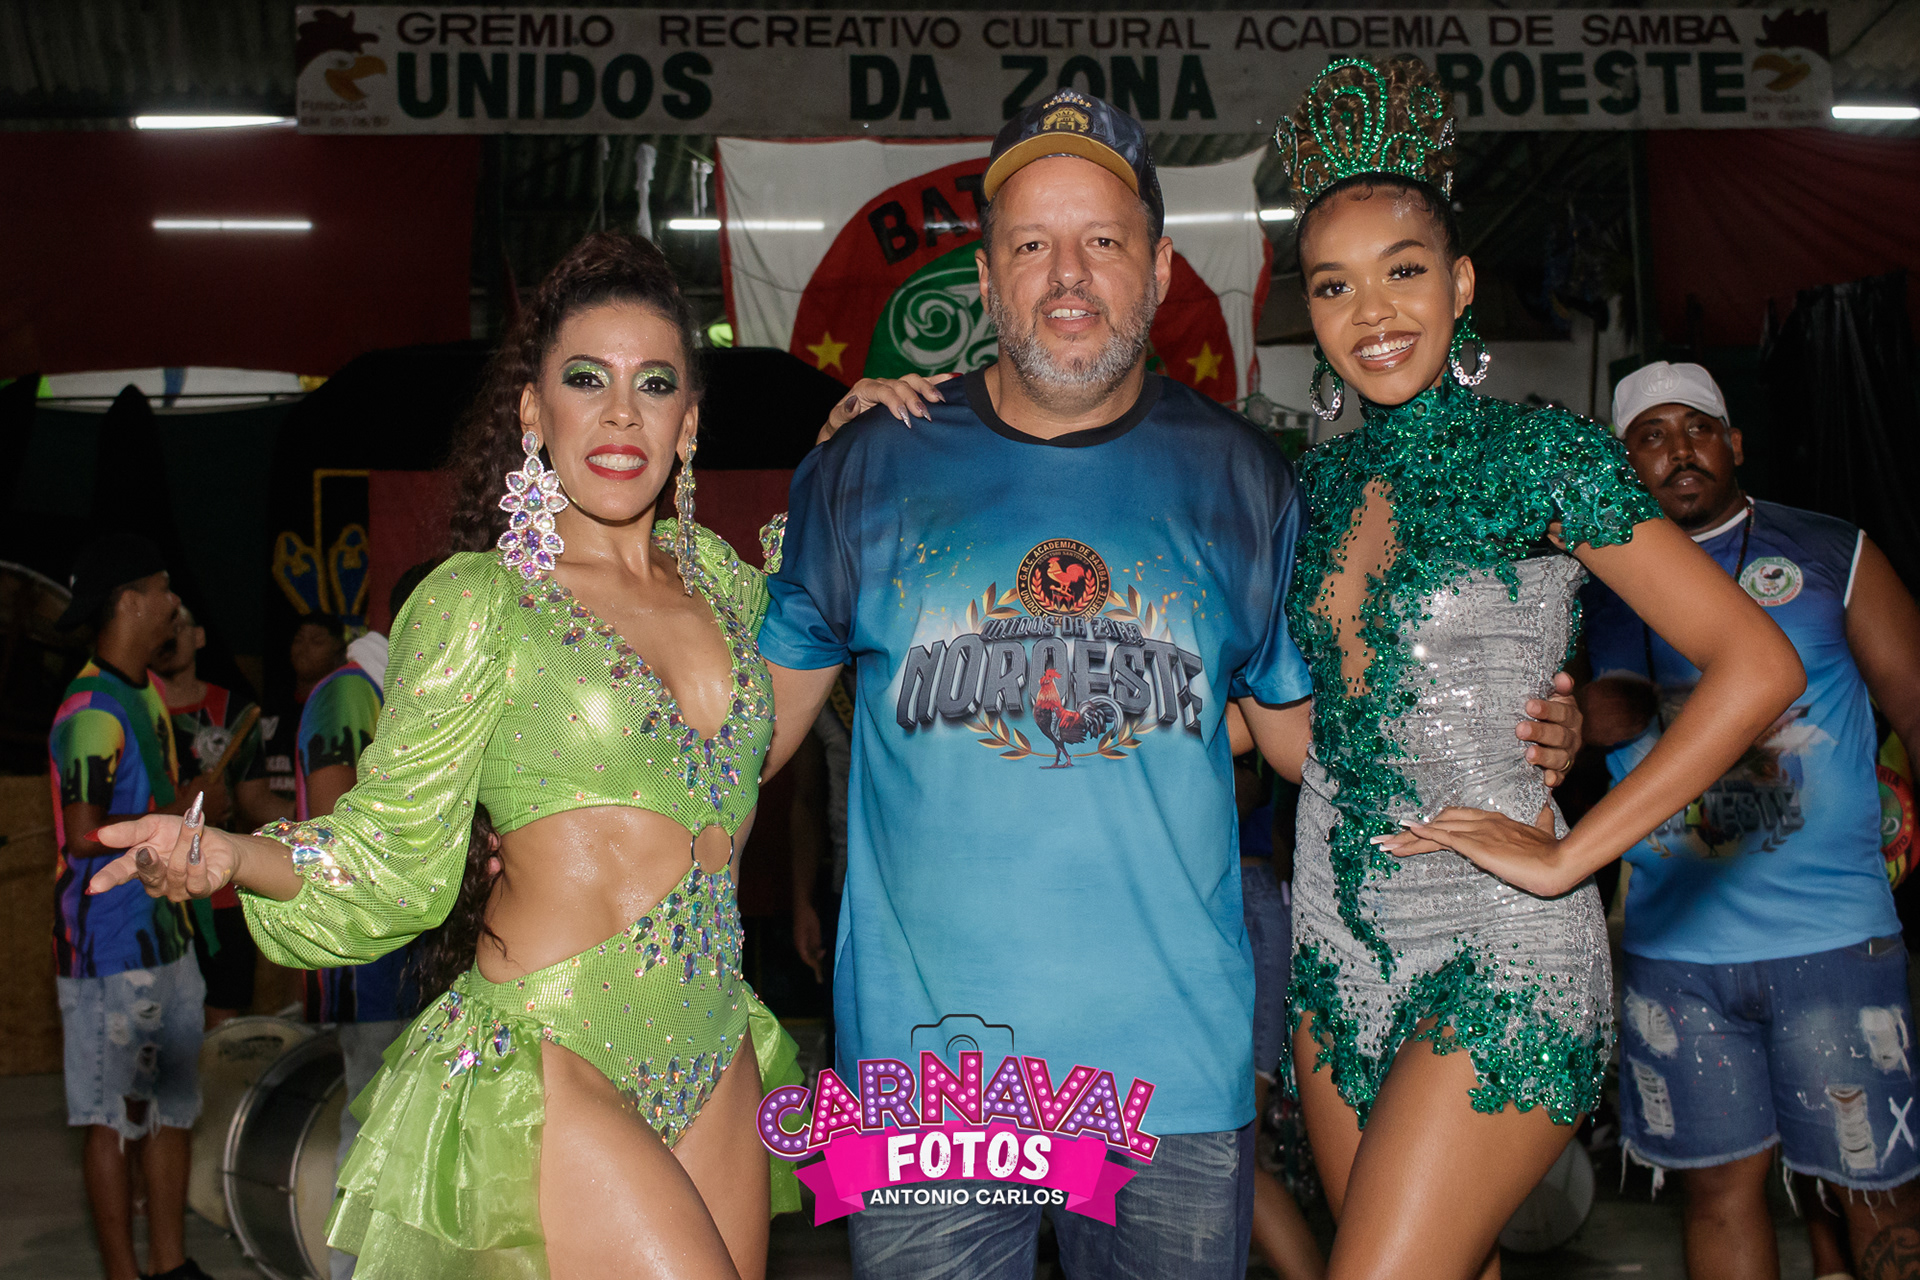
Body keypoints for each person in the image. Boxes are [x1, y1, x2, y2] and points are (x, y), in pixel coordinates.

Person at [757, 88, 1587, 1280]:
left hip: (1170, 1082)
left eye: (1103, 240)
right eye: (1030, 245)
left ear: (1154, 271)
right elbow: (751, 740)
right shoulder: (869, 465)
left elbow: (1304, 737)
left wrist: (1505, 736)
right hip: (927, 1082)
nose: (1067, 276)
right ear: (985, 279)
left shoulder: (1243, 477)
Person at [89, 231, 802, 1280]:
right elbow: (390, 851)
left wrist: (871, 437)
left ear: (688, 422)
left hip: (715, 1042)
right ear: (533, 412)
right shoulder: (481, 604)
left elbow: (776, 729)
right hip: (555, 1050)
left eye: (653, 384)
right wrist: (232, 855)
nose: (620, 412)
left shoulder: (729, 591)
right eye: (585, 379)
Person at [1261, 57, 1801, 1280]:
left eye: (1403, 271)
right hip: (1337, 948)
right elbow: (1306, 739)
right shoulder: (1308, 490)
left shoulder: (1540, 457)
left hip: (1503, 940)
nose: (1373, 311)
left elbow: (1756, 662)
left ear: (1458, 284)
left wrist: (1573, 852)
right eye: (1334, 285)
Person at [1581, 361, 1920, 1280]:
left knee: (1874, 1191)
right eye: (1650, 436)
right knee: (1719, 1196)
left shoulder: (1830, 551)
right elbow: (1588, 717)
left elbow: (1914, 701)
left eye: (1698, 428)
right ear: (1622, 462)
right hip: (1676, 952)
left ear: (1734, 443)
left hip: (1833, 938)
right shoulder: (1598, 578)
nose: (1679, 450)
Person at [49, 534, 217, 1280]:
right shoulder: (90, 709)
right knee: (114, 1117)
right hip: (110, 947)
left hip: (165, 935)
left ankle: (170, 1265)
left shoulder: (143, 691)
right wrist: (175, 815)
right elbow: (85, 834)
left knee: (172, 1108)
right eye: (162, 587)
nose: (174, 602)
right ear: (127, 601)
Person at [156, 603, 274, 1026]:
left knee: (222, 1028)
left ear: (200, 636)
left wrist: (319, 812)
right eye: (164, 625)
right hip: (150, 894)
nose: (170, 636)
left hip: (217, 888)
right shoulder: (129, 711)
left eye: (180, 625)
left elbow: (254, 802)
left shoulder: (235, 712)